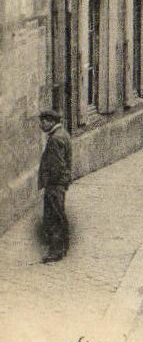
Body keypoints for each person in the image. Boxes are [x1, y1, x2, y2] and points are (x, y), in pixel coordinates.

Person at [38, 109, 72, 263]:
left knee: (53, 217)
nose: (41, 125)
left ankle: (55, 251)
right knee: (59, 214)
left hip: (55, 184)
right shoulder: (63, 134)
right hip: (60, 183)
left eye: (43, 122)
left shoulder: (54, 139)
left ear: (51, 122)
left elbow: (56, 165)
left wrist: (50, 184)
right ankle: (63, 247)